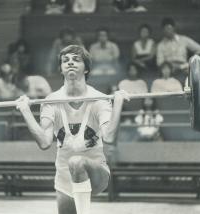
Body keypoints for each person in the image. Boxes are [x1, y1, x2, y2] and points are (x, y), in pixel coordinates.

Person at [15, 45, 129, 214]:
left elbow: (110, 137)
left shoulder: (100, 100)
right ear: (61, 69)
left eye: (76, 60)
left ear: (86, 69)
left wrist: (118, 102)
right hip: (64, 176)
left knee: (77, 162)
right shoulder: (51, 101)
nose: (70, 63)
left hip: (96, 172)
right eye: (65, 60)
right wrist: (25, 111)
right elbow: (44, 142)